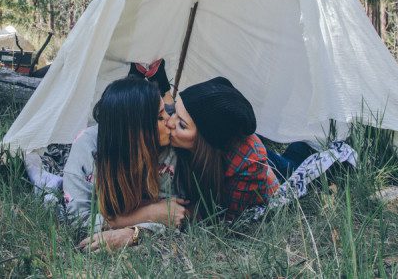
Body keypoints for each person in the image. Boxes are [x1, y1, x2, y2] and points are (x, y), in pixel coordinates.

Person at [62, 76, 188, 251]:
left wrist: (132, 234)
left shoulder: (169, 151)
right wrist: (147, 214)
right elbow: (78, 221)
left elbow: (173, 215)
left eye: (166, 110)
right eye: (160, 117)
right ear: (134, 132)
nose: (170, 121)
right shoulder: (88, 148)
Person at [166, 77, 279, 220]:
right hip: (243, 150)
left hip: (265, 171)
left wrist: (179, 212)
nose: (169, 122)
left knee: (293, 160)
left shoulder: (247, 166)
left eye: (181, 125)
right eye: (175, 112)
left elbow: (226, 218)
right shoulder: (204, 145)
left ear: (206, 140)